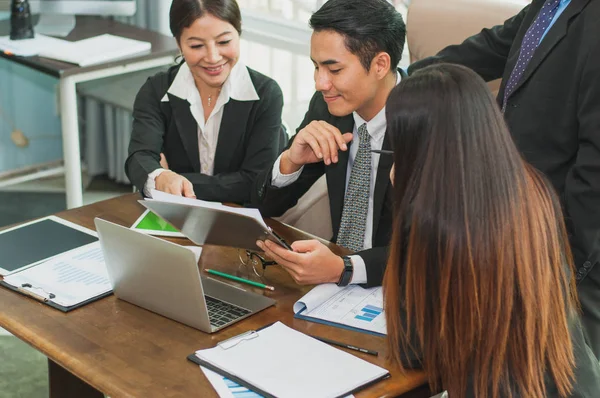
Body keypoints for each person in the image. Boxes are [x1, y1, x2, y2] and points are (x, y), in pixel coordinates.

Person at [383, 63, 600, 398]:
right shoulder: (534, 189)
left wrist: (404, 200)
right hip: (576, 381)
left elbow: (412, 349)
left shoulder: (435, 221)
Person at [408, 0, 600, 358]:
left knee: (558, 370)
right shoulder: (548, 5)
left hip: (562, 247)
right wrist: (407, 79)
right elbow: (491, 47)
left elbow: (596, 167)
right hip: (512, 223)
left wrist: (568, 264)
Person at [251, 0, 406, 287]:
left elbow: (438, 248)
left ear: (380, 65)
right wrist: (290, 161)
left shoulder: (430, 118)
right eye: (316, 67)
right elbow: (265, 206)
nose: (320, 83)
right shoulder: (327, 108)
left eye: (334, 70)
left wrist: (345, 268)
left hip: (404, 288)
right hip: (334, 286)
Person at [125, 0, 284, 204]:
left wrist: (169, 179)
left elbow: (254, 182)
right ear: (178, 43)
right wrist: (160, 175)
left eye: (224, 42)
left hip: (239, 216)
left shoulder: (266, 94)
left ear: (239, 31)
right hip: (175, 214)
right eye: (197, 45)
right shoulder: (156, 90)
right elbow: (139, 157)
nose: (213, 57)